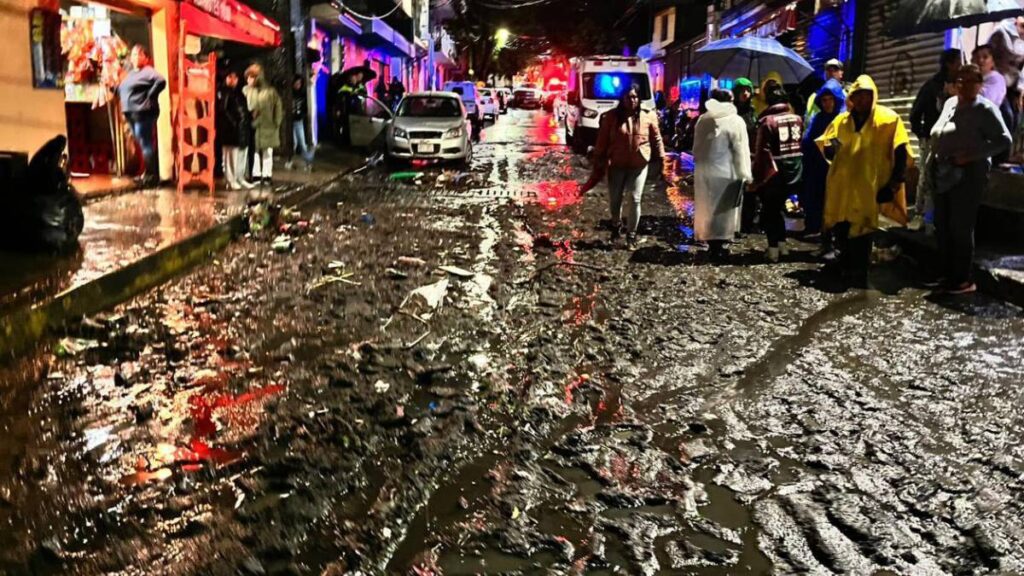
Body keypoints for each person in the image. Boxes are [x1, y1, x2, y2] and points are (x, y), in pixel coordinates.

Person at [818, 75, 911, 287]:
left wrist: (894, 184)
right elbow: (827, 146)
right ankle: (845, 265)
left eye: (866, 95)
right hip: (843, 187)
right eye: (857, 95)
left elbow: (901, 152)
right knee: (842, 226)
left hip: (869, 188)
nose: (861, 100)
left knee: (863, 229)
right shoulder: (841, 122)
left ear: (873, 96)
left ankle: (859, 272)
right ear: (851, 98)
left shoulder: (888, 120)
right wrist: (832, 150)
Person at [927, 64, 1012, 294]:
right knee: (942, 224)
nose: (964, 85)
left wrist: (970, 156)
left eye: (971, 81)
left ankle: (962, 280)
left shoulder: (985, 109)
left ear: (980, 84)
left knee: (960, 226)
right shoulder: (950, 103)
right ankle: (946, 274)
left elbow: (1004, 140)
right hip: (943, 172)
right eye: (960, 81)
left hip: (969, 175)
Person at [584, 85, 666, 250]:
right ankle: (616, 225)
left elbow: (656, 139)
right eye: (628, 97)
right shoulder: (611, 117)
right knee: (616, 199)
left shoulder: (648, 116)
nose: (632, 100)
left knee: (635, 199)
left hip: (639, 165)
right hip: (617, 164)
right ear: (622, 99)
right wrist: (598, 159)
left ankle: (631, 235)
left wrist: (661, 160)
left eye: (635, 97)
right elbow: (602, 139)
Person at [692, 89, 752, 260]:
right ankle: (721, 245)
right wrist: (746, 174)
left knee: (708, 209)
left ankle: (712, 245)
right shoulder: (736, 121)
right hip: (729, 172)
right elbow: (741, 150)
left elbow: (696, 149)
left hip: (707, 172)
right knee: (725, 213)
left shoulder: (703, 120)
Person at [910, 49, 962, 230]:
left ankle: (938, 218)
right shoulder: (932, 86)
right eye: (958, 62)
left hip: (953, 141)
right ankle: (919, 215)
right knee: (926, 177)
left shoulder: (961, 86)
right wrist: (923, 135)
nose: (961, 65)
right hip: (932, 139)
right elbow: (915, 113)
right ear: (949, 64)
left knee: (946, 179)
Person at [752, 85, 803, 262]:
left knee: (769, 212)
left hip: (773, 174)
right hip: (794, 173)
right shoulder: (798, 119)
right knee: (778, 209)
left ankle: (773, 249)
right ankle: (783, 246)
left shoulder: (767, 122)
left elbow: (762, 153)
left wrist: (756, 178)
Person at [800, 78, 846, 239]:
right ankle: (815, 229)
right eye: (824, 100)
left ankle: (830, 235)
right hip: (817, 168)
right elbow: (809, 141)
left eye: (830, 99)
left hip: (835, 169)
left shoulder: (843, 119)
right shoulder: (818, 118)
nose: (827, 104)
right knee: (815, 199)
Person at [117, 45, 166, 186]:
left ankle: (151, 176)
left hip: (143, 112)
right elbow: (122, 90)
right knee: (142, 142)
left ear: (146, 58)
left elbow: (161, 81)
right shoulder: (131, 74)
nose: (136, 57)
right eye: (134, 54)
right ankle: (148, 173)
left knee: (145, 142)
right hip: (131, 112)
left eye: (139, 54)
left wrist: (150, 95)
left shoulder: (148, 71)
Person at [987, 17, 1024, 154]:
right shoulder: (1001, 32)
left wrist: (1020, 89)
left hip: (1013, 85)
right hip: (997, 82)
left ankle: (1005, 154)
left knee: (1015, 118)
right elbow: (987, 54)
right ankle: (997, 155)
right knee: (1005, 116)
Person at [243, 64, 283, 184]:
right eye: (248, 77)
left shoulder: (270, 92)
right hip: (254, 126)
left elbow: (278, 107)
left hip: (268, 125)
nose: (249, 80)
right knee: (254, 151)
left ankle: (267, 175)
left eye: (251, 77)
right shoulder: (246, 91)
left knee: (267, 151)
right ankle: (256, 174)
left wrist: (277, 121)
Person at [216, 71, 254, 190]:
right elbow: (223, 110)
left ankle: (240, 177)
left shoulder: (239, 93)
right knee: (231, 155)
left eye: (235, 77)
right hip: (231, 130)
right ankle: (231, 179)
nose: (233, 80)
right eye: (230, 77)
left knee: (241, 154)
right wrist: (233, 122)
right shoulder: (224, 92)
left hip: (242, 128)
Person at [733, 77, 759, 234]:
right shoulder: (732, 112)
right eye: (742, 90)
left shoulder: (753, 112)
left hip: (751, 156)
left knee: (750, 191)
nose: (745, 93)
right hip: (734, 157)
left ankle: (747, 224)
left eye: (748, 90)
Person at [804, 58, 846, 124]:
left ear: (841, 73)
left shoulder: (849, 93)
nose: (832, 72)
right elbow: (808, 120)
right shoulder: (814, 96)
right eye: (828, 70)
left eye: (835, 70)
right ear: (825, 74)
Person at [286, 75, 314, 171]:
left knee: (301, 142)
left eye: (299, 83)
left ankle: (307, 162)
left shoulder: (302, 94)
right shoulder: (289, 94)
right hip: (291, 121)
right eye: (296, 83)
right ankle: (290, 161)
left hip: (298, 120)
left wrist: (302, 115)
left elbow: (305, 107)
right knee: (293, 143)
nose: (298, 85)